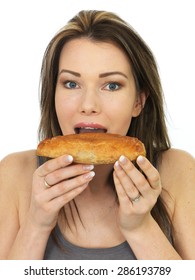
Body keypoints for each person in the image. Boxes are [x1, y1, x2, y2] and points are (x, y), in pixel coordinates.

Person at [0, 10, 195, 260]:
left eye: (111, 85)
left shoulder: (179, 172)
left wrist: (140, 228)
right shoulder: (13, 174)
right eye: (71, 83)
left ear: (138, 101)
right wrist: (36, 225)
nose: (89, 104)